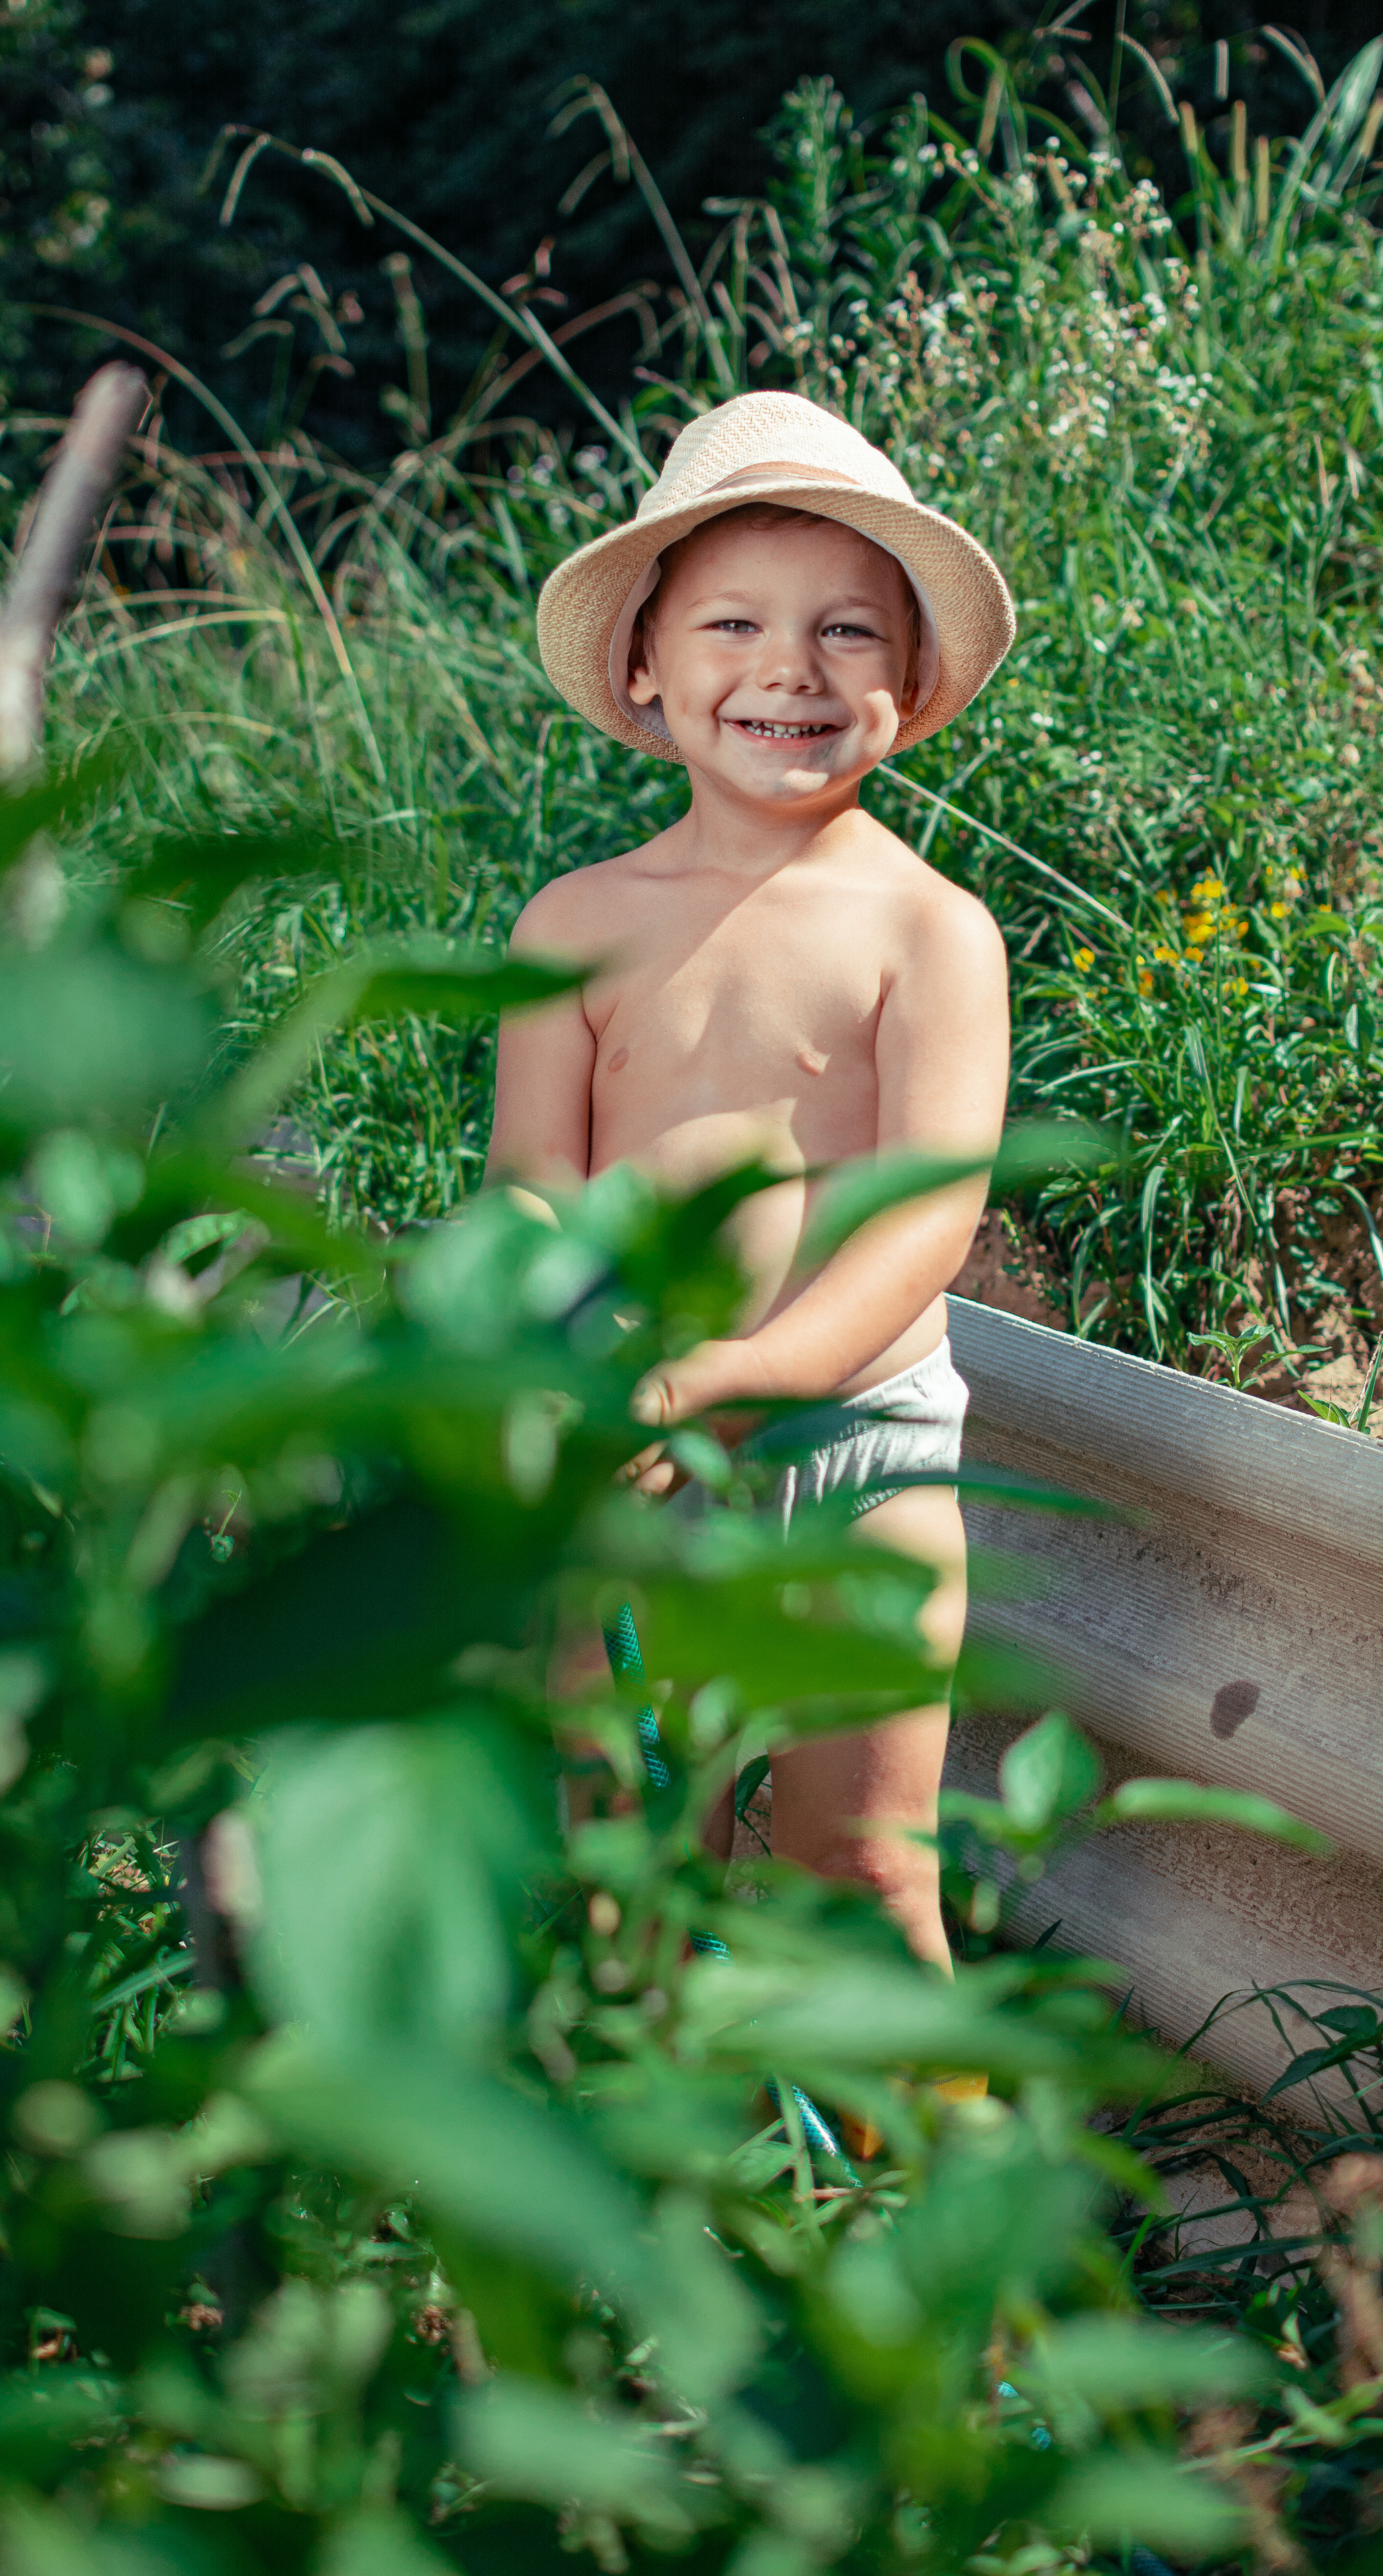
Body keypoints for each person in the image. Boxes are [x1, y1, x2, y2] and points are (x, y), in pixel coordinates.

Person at [487, 390, 1015, 1974]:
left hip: (854, 1434)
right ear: (645, 665)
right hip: (629, 1433)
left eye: (849, 631)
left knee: (857, 1868)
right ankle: (653, 2194)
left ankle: (926, 2203)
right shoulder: (572, 925)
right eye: (733, 622)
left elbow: (927, 1216)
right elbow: (529, 1171)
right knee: (629, 1850)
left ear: (909, 683)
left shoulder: (928, 930)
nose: (790, 669)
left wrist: (742, 1369)